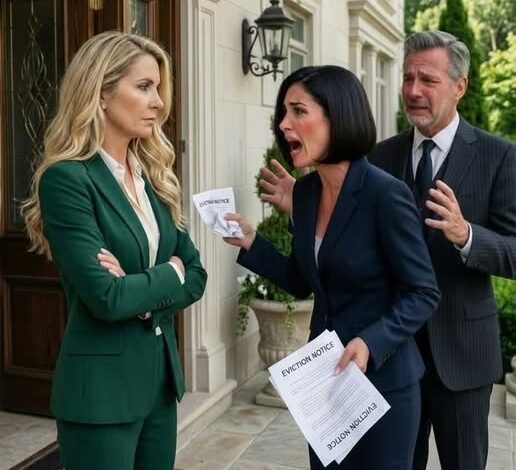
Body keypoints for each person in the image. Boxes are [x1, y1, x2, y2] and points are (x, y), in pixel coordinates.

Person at [259, 31, 516, 470]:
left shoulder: (499, 156)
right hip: (383, 359)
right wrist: (305, 210)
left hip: (459, 356)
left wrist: (466, 235)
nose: (413, 90)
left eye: (428, 80)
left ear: (460, 86)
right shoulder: (376, 157)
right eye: (408, 78)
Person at [224, 65, 440, 469]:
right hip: (326, 384)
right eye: (283, 112)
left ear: (337, 117)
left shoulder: (385, 195)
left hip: (384, 388)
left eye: (298, 111)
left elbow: (423, 292)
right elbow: (303, 281)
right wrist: (252, 242)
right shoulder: (306, 193)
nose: (284, 124)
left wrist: (370, 342)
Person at [21, 32, 207, 470]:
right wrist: (169, 274)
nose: (158, 102)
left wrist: (140, 287)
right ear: (101, 94)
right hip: (100, 396)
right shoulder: (67, 180)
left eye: (158, 88)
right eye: (144, 87)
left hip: (159, 384)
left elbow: (197, 273)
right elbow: (106, 297)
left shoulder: (152, 177)